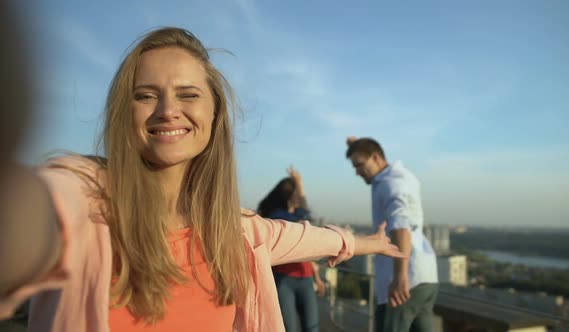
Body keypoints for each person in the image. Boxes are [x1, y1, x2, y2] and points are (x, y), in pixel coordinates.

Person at [0, 27, 408, 332]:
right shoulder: (83, 195)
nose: (167, 110)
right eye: (145, 95)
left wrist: (362, 243)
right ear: (123, 111)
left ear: (214, 116)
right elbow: (35, 213)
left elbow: (299, 237)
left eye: (188, 95)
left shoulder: (232, 232)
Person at [345, 137, 438, 332]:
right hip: (426, 278)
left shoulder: (391, 183)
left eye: (360, 165)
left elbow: (401, 225)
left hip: (404, 281)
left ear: (376, 157)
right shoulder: (403, 176)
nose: (357, 172)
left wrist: (400, 276)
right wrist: (356, 145)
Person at [257, 167, 325, 332]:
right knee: (288, 328)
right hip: (284, 279)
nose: (300, 197)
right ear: (290, 195)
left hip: (305, 277)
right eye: (298, 193)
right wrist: (299, 183)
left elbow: (307, 248)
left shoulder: (295, 214)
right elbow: (306, 220)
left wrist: (317, 277)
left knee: (312, 327)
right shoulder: (277, 216)